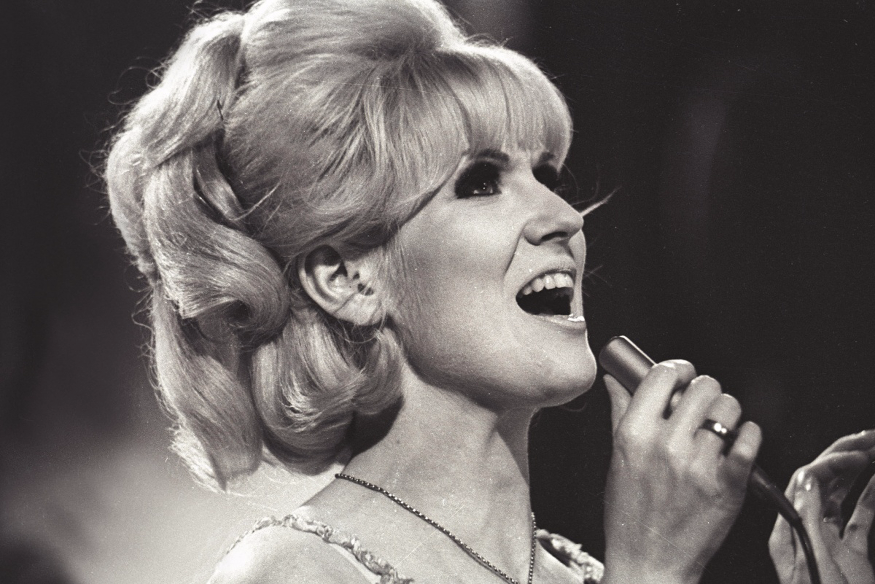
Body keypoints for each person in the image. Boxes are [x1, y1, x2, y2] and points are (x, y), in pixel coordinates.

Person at [104, 0, 875, 582]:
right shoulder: (294, 575)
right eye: (479, 183)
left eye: (545, 173)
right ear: (346, 278)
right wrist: (652, 569)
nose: (564, 217)